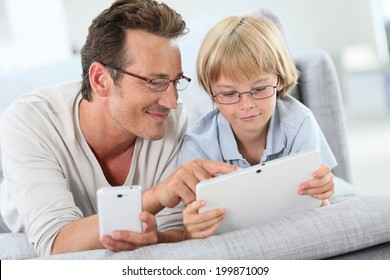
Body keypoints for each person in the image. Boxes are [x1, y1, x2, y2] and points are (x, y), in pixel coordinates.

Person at [0, 0, 237, 256]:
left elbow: (172, 233)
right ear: (101, 80)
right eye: (155, 82)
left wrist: (157, 236)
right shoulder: (30, 120)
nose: (172, 102)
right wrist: (155, 197)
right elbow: (56, 244)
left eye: (175, 82)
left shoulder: (173, 120)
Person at [180, 15, 336, 239]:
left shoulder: (299, 122)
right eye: (229, 94)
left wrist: (322, 190)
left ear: (279, 80)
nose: (246, 105)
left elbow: (318, 207)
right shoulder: (198, 145)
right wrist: (191, 227)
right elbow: (194, 222)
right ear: (211, 91)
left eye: (260, 89)